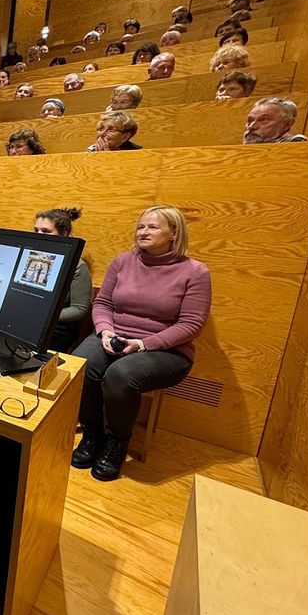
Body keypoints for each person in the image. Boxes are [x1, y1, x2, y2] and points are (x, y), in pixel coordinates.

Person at [71, 206, 211, 481]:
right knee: (80, 364)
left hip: (167, 350)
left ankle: (116, 442)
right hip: (114, 336)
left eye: (153, 227)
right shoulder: (123, 261)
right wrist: (106, 331)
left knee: (120, 375)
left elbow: (191, 325)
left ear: (174, 233)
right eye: (140, 226)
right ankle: (92, 434)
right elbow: (103, 303)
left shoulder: (195, 272)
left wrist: (142, 344)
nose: (143, 232)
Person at [34, 208, 91, 352]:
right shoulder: (32, 257)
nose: (39, 235)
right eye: (36, 230)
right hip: (29, 318)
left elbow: (80, 309)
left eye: (46, 231)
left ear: (64, 234)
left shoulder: (77, 266)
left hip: (57, 327)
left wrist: (45, 316)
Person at [242, 97, 308, 143]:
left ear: (286, 125)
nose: (251, 126)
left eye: (263, 120)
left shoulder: (295, 144)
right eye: (250, 120)